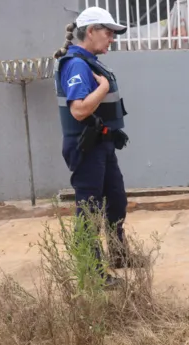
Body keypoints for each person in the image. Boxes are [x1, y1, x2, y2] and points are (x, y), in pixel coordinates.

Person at [53, 7, 131, 288]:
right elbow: (79, 110)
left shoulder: (90, 61)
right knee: (89, 210)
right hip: (86, 149)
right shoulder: (76, 64)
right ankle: (93, 273)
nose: (111, 38)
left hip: (102, 144)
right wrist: (101, 89)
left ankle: (119, 254)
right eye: (108, 32)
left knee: (117, 200)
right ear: (90, 31)